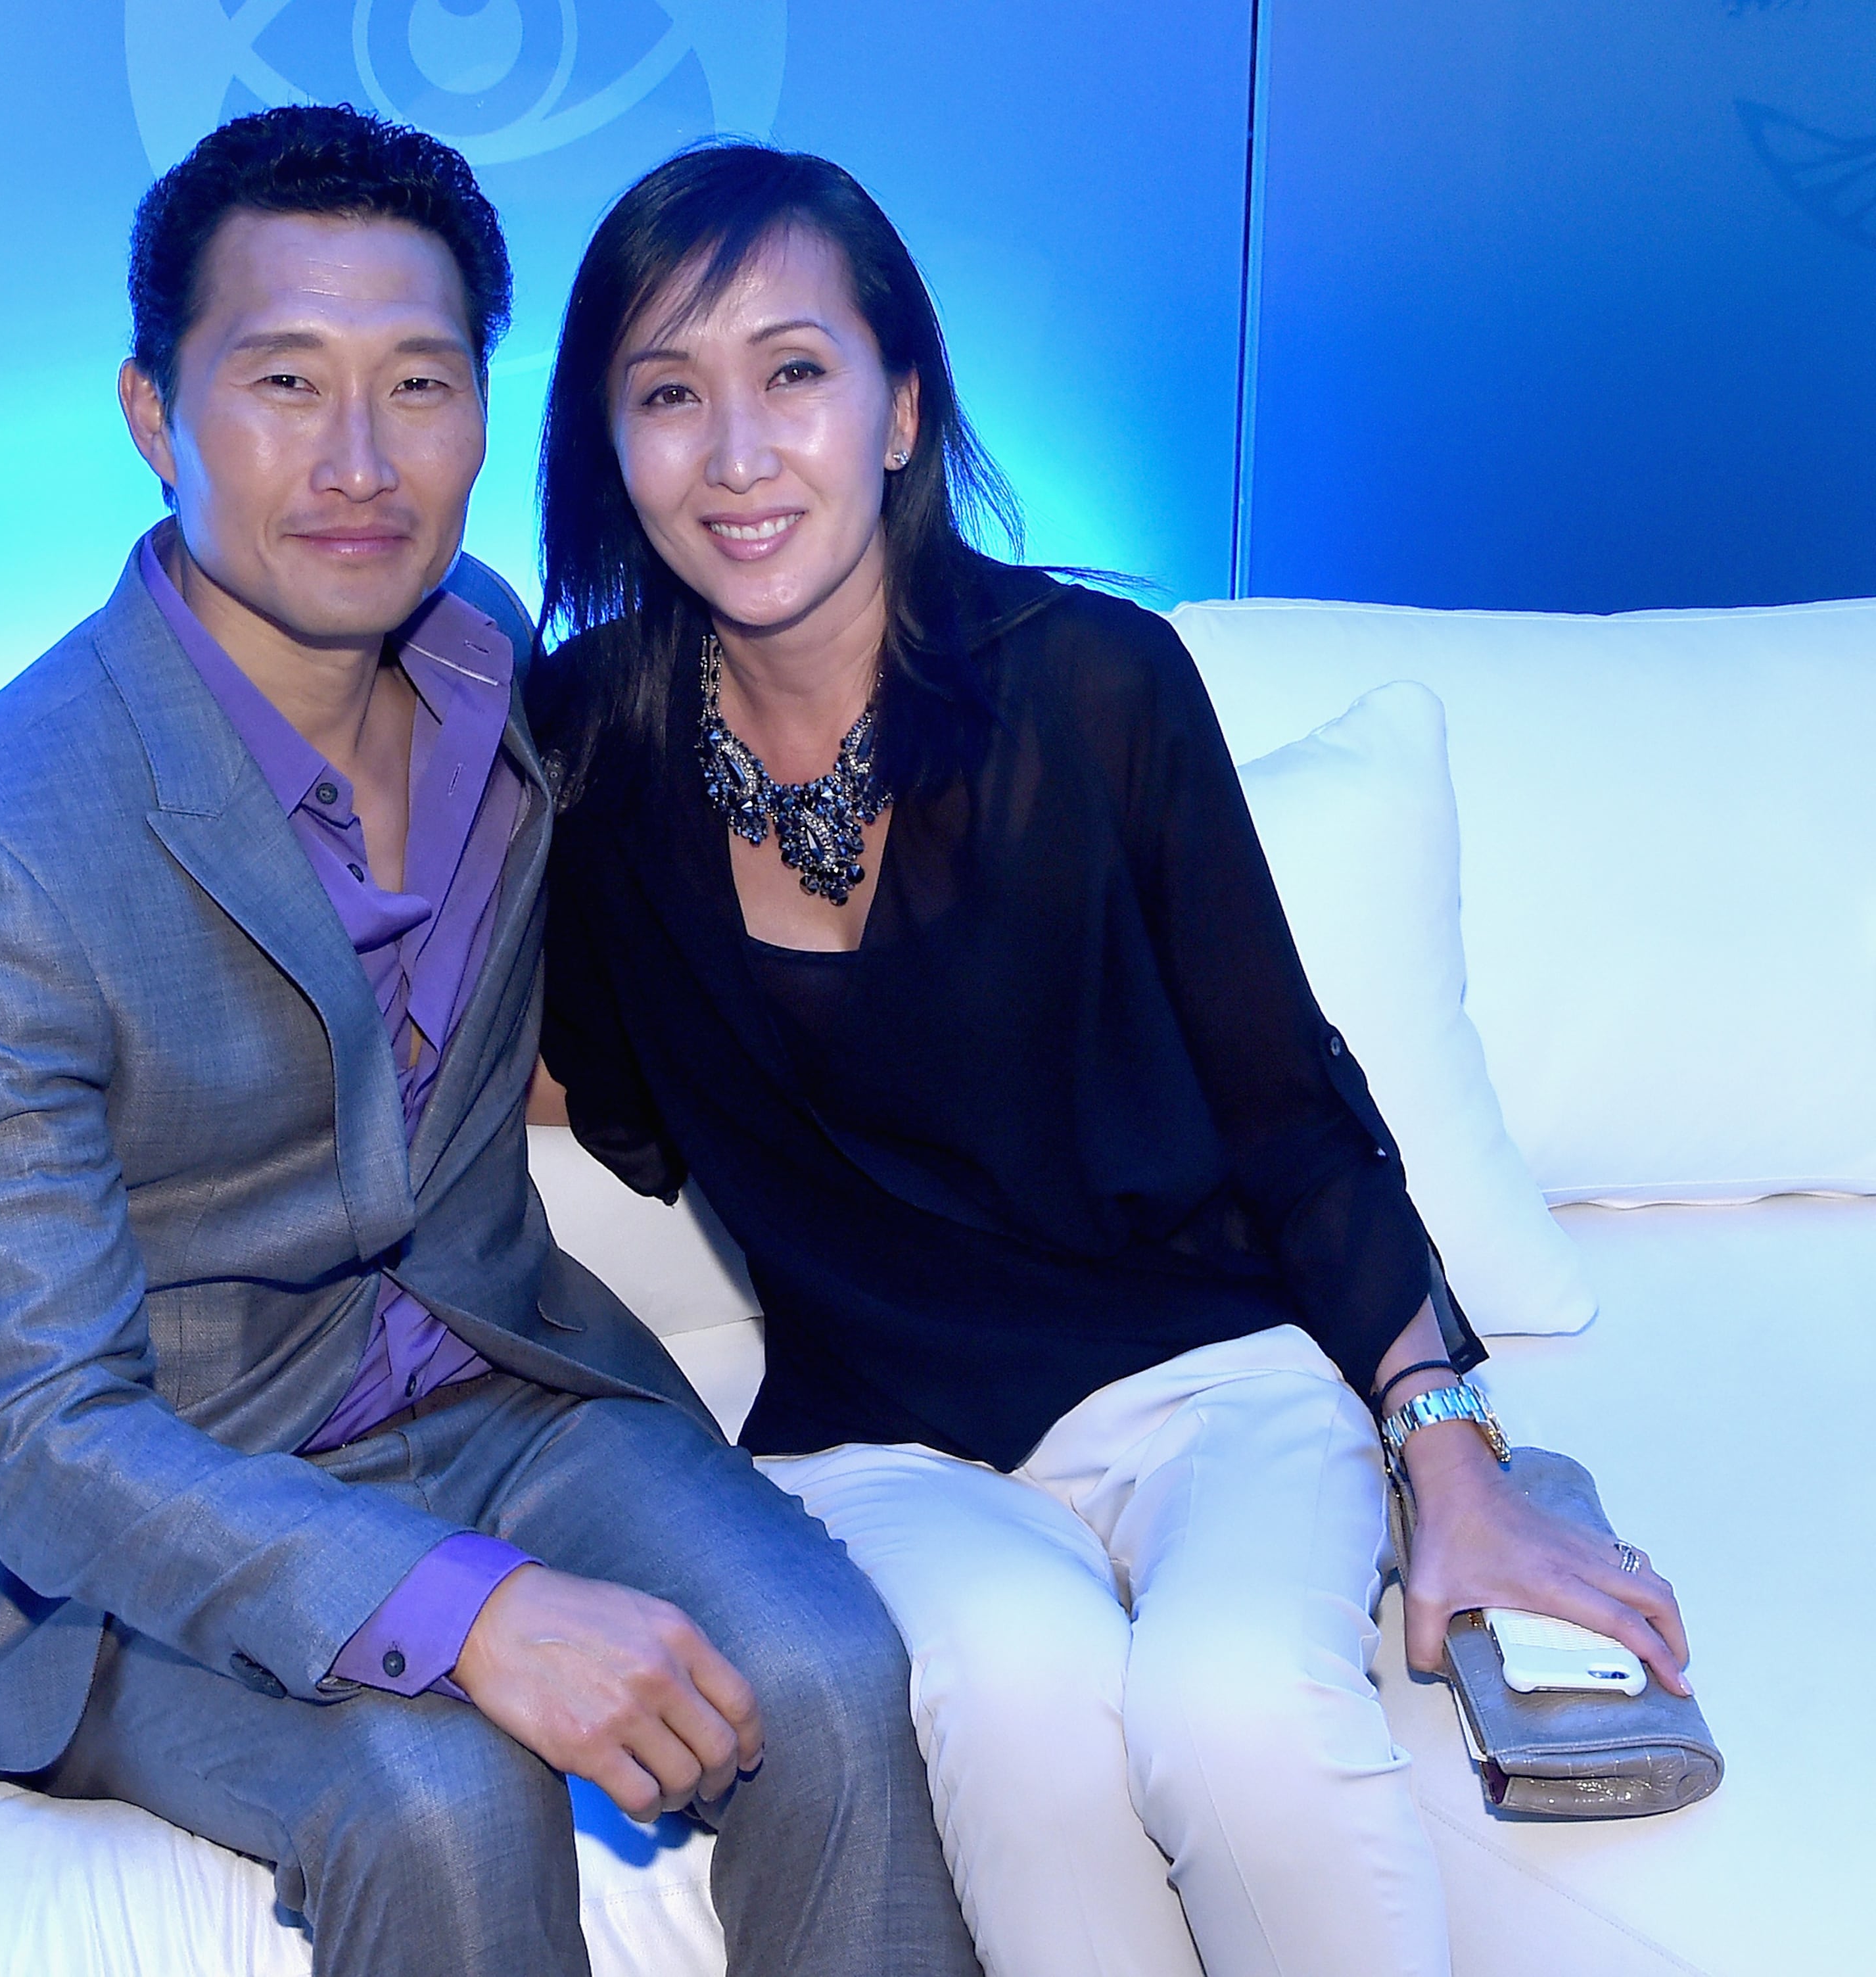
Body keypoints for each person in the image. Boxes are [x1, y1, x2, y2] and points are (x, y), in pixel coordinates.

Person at [0, 107, 977, 1977]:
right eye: (284, 380)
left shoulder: (485, 664)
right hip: (148, 1527)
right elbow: (31, 1435)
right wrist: (472, 1614)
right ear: (151, 416)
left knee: (832, 1673)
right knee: (439, 1799)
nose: (359, 463)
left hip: (498, 1387)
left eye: (419, 386)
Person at [529, 142, 1695, 1977]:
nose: (738, 453)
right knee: (1017, 1696)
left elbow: (1292, 1114)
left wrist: (1454, 1455)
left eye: (796, 373)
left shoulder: (1094, 684)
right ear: (608, 444)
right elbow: (601, 1077)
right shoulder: (585, 745)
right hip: (877, 1441)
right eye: (668, 394)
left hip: (1213, 1380)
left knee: (1230, 1704)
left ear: (902, 406)